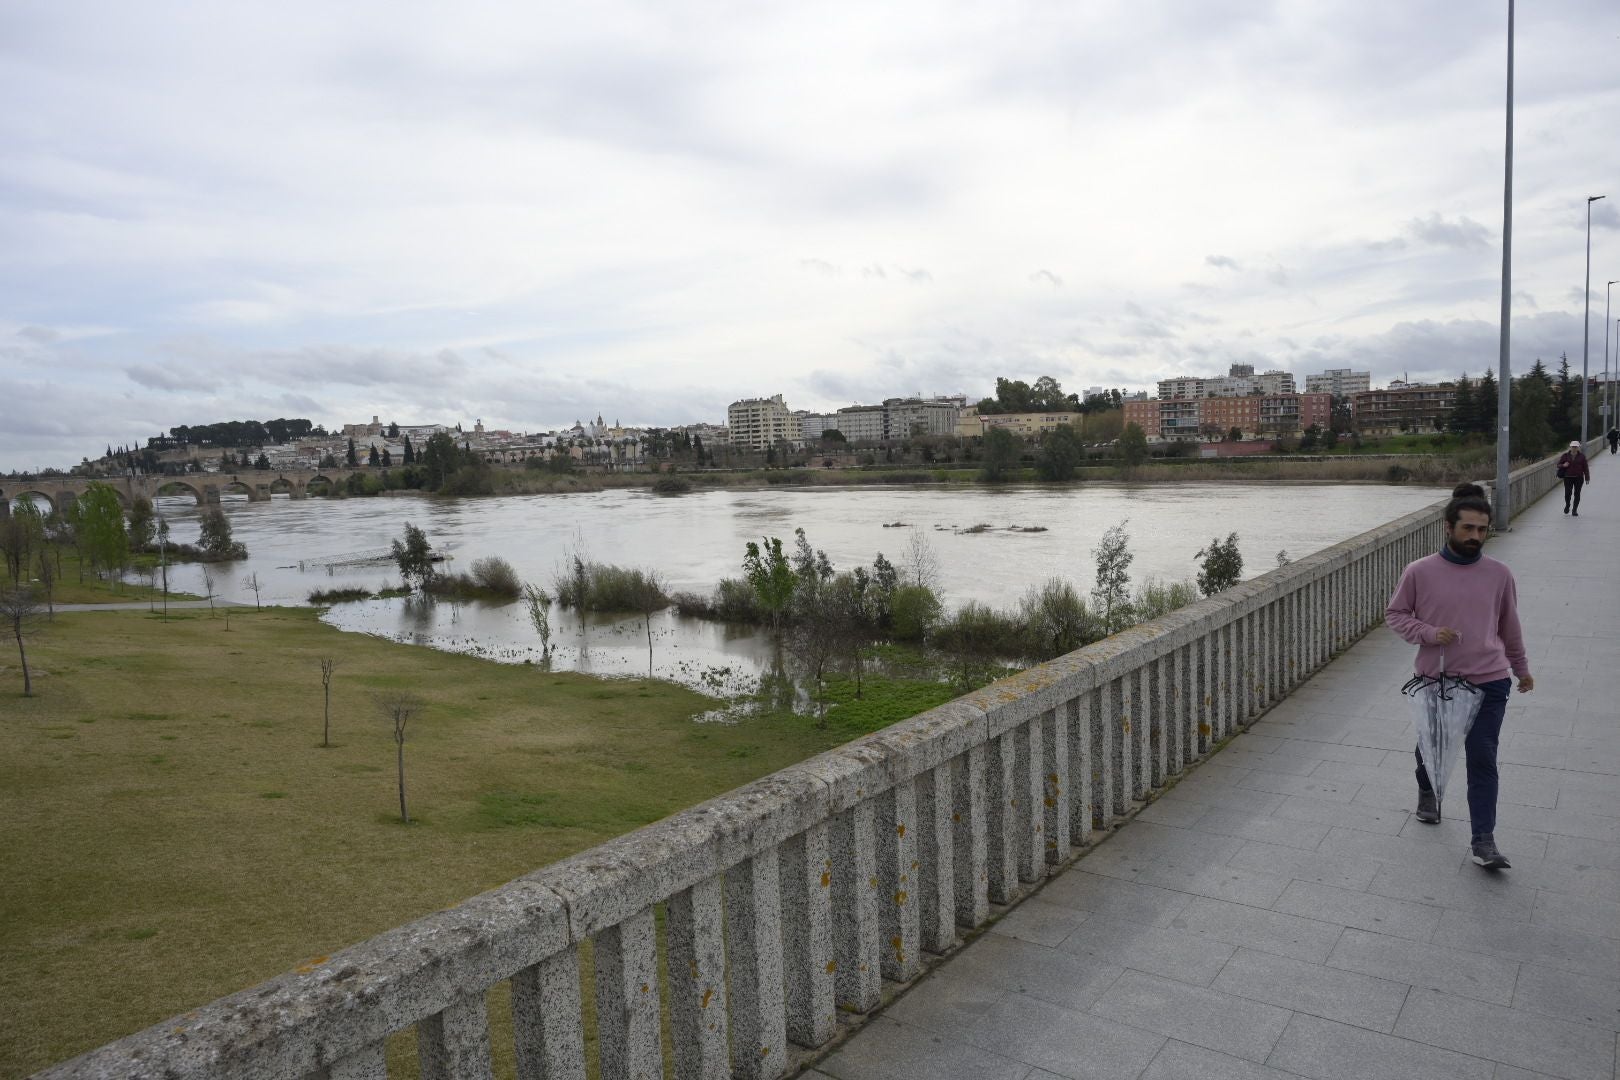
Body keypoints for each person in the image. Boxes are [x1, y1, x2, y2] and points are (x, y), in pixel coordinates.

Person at [1385, 482, 1532, 870]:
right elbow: (1395, 615)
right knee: (1430, 748)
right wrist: (1430, 634)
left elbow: (1509, 627)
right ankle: (1427, 789)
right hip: (1437, 682)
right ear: (1448, 527)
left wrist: (1521, 669)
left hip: (1489, 681)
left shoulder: (1499, 574)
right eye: (1467, 528)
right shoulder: (1419, 572)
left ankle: (1484, 840)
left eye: (1482, 530)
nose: (1475, 537)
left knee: (1482, 757)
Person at [1557, 441, 1591, 515]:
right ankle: (1567, 505)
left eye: (1575, 447)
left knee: (1577, 494)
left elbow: (1585, 468)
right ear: (1570, 447)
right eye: (1573, 447)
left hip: (1579, 478)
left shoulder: (1582, 456)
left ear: (1578, 447)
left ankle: (1574, 510)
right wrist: (1563, 465)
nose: (1574, 448)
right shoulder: (1565, 456)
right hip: (1568, 477)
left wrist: (1587, 478)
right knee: (1567, 493)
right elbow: (1558, 465)